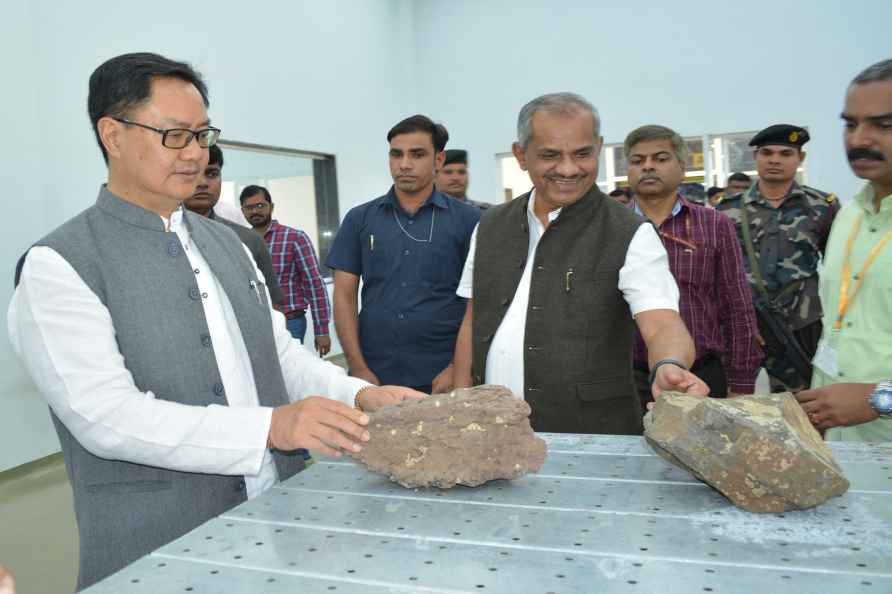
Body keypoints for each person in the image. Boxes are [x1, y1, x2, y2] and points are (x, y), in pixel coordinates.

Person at [7, 52, 422, 591]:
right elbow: (104, 416)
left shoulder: (230, 244)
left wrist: (356, 396)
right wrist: (270, 427)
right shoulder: (59, 264)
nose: (195, 154)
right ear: (112, 134)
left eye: (202, 135)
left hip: (281, 519)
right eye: (175, 135)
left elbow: (279, 356)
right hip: (154, 544)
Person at [452, 93, 708, 435]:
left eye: (582, 154)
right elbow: (472, 320)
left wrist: (670, 364)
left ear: (599, 148)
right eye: (550, 155)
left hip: (587, 433)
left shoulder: (629, 233)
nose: (569, 169)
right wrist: (459, 400)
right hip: (491, 428)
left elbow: (661, 322)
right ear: (520, 155)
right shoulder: (489, 225)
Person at [326, 115, 480, 394]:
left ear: (438, 160)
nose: (404, 164)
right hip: (376, 373)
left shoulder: (469, 221)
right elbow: (344, 296)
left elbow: (480, 301)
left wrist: (458, 368)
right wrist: (358, 367)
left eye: (417, 154)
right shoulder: (360, 219)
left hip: (443, 376)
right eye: (396, 154)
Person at [625, 125, 761, 408]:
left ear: (682, 168)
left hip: (701, 376)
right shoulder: (612, 228)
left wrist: (742, 384)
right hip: (626, 379)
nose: (648, 166)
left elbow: (736, 307)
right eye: (637, 161)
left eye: (660, 159)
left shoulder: (713, 224)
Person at [796, 58, 892, 440]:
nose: (858, 140)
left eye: (883, 125)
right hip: (844, 448)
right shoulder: (849, 215)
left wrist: (880, 398)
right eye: (850, 124)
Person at [717, 124, 839, 392]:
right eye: (767, 153)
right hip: (744, 325)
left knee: (808, 404)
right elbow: (717, 275)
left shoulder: (820, 206)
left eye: (785, 153)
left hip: (802, 324)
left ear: (800, 159)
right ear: (755, 157)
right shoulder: (727, 210)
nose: (774, 160)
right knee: (736, 401)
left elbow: (837, 268)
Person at [183, 144, 284, 305]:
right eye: (192, 173)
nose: (202, 182)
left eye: (212, 173)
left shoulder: (249, 241)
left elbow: (273, 309)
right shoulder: (154, 238)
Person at [240, 185, 331, 355]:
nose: (255, 211)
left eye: (260, 205)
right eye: (249, 207)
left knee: (291, 376)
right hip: (256, 326)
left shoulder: (295, 238)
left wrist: (322, 330)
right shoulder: (240, 241)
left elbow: (314, 285)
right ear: (242, 211)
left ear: (271, 207)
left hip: (290, 324)